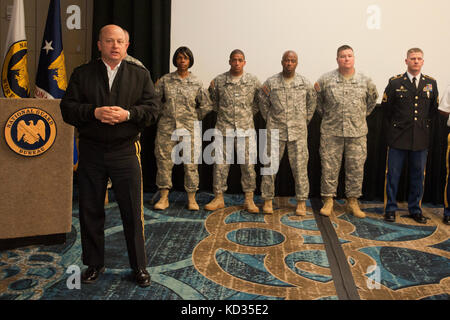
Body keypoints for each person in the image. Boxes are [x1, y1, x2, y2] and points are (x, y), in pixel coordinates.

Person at [60, 24, 160, 287]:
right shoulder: (82, 74)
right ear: (99, 45)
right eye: (109, 41)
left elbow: (152, 110)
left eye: (120, 41)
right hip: (91, 152)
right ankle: (94, 264)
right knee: (90, 210)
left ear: (127, 46)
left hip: (125, 152)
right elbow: (67, 109)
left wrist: (128, 115)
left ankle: (139, 267)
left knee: (132, 213)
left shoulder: (140, 75)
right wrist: (93, 112)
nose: (115, 46)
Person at [315, 45, 378, 218]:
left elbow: (371, 102)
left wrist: (358, 117)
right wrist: (330, 117)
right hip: (331, 132)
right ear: (337, 59)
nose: (346, 59)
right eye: (342, 56)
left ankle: (352, 201)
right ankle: (328, 200)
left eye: (349, 56)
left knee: (356, 168)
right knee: (329, 167)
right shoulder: (325, 80)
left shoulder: (365, 80)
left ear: (354, 58)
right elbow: (318, 103)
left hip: (357, 133)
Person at [382, 48, 439, 224]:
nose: (416, 61)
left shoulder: (430, 83)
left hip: (420, 138)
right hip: (399, 136)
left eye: (419, 59)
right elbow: (387, 109)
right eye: (412, 58)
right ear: (406, 61)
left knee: (417, 176)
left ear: (423, 62)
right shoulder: (395, 82)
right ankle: (390, 209)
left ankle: (415, 209)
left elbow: (432, 111)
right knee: (393, 175)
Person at [153, 46, 212, 211]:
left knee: (191, 163)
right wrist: (162, 115)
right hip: (167, 127)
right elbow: (155, 102)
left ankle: (192, 199)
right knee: (164, 162)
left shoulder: (197, 82)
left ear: (190, 60)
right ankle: (164, 198)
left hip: (189, 129)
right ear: (175, 60)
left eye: (185, 58)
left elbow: (206, 105)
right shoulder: (165, 80)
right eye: (179, 58)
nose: (182, 61)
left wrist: (194, 117)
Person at [258, 51, 316, 215]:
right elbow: (262, 102)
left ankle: (301, 202)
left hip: (297, 132)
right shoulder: (271, 82)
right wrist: (270, 119)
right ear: (282, 62)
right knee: (269, 166)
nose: (289, 63)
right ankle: (268, 200)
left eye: (293, 61)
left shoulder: (304, 83)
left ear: (297, 63)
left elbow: (312, 103)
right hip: (275, 131)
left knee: (300, 168)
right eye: (287, 60)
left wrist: (304, 121)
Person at [204, 49, 261, 213]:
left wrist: (247, 115)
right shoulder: (219, 81)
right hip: (224, 129)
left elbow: (258, 103)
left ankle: (249, 199)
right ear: (229, 61)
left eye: (240, 60)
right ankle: (218, 197)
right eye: (234, 60)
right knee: (220, 165)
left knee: (248, 166)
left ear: (244, 62)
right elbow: (213, 103)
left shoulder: (253, 81)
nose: (237, 63)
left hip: (246, 130)